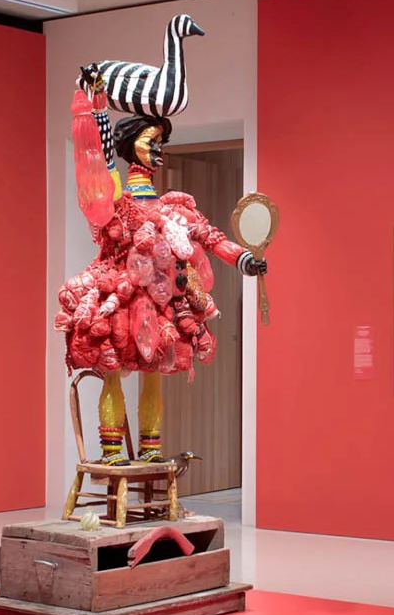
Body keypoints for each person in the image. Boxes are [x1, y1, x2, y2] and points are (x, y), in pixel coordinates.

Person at [55, 73, 267, 465]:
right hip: (118, 295)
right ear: (130, 145)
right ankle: (113, 453)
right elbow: (100, 166)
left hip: (159, 298)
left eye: (160, 143)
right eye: (151, 142)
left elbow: (208, 235)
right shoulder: (117, 200)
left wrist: (243, 259)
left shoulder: (173, 206)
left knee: (153, 375)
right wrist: (99, 107)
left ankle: (151, 450)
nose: (158, 150)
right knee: (113, 371)